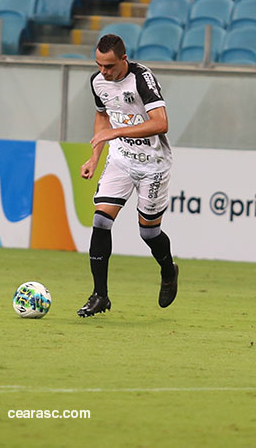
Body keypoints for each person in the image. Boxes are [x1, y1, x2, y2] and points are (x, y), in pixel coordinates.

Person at [76, 34, 179, 318]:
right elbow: (102, 116)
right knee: (100, 219)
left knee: (148, 232)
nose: (103, 72)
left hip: (153, 164)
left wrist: (116, 131)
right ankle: (100, 295)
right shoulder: (97, 81)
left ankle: (169, 270)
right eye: (99, 65)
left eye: (109, 66)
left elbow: (161, 123)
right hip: (121, 159)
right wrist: (95, 156)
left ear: (124, 59)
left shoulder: (142, 79)